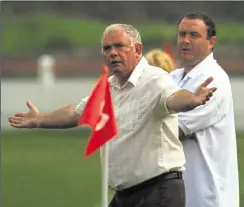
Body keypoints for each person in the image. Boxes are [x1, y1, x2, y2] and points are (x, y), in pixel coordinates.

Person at [8, 23, 217, 207]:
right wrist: (40, 119)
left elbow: (174, 97)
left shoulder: (155, 79)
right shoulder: (110, 86)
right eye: (107, 48)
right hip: (125, 194)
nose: (112, 53)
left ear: (137, 49)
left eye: (119, 46)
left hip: (158, 192)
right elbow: (78, 112)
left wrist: (192, 99)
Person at [170, 12, 239, 207]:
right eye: (182, 34)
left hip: (208, 196)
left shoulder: (214, 80)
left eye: (194, 35)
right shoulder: (173, 77)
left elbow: (174, 130)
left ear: (211, 42)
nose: (186, 40)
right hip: (180, 193)